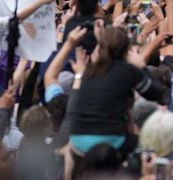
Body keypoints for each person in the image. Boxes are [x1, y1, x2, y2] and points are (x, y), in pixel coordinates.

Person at [67, 26, 167, 154]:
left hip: (77, 141)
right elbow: (157, 94)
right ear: (126, 50)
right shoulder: (127, 71)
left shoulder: (86, 71)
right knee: (151, 149)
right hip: (112, 140)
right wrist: (141, 66)